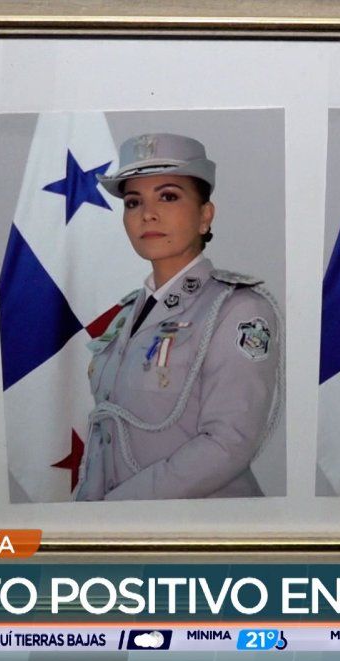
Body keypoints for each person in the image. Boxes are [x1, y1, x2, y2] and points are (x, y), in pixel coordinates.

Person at [74, 133, 281, 501]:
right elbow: (106, 436)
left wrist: (118, 510)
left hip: (202, 533)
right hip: (122, 530)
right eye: (133, 202)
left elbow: (229, 443)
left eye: (168, 196)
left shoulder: (237, 310)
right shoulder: (125, 316)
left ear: (205, 215)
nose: (147, 214)